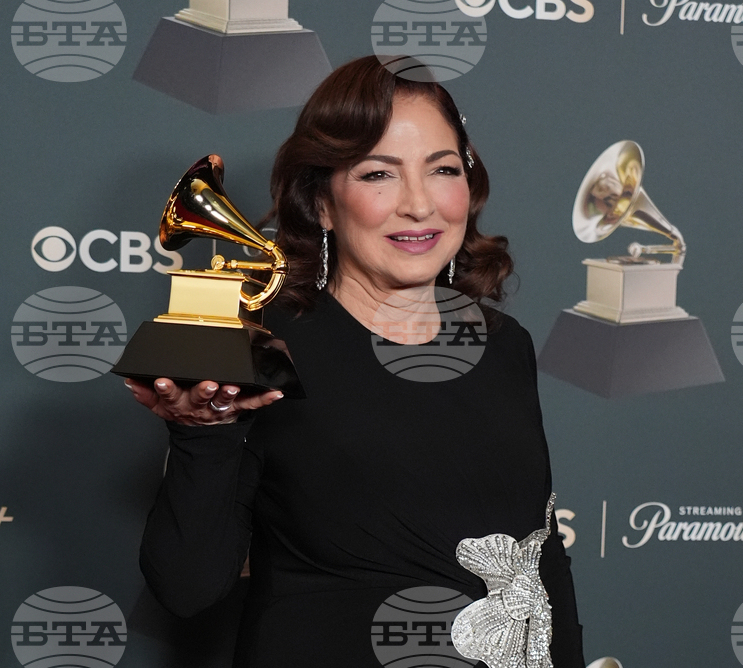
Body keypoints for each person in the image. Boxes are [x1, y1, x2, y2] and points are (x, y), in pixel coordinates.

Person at [126, 55, 585, 667]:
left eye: (442, 169)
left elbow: (540, 561)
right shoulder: (261, 346)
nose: (419, 205)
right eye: (378, 175)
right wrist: (200, 436)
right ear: (321, 203)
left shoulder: (505, 346)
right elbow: (187, 588)